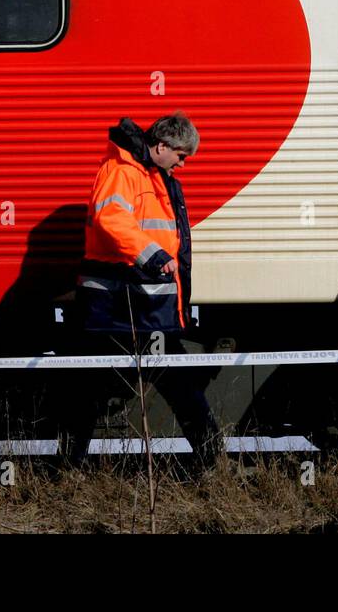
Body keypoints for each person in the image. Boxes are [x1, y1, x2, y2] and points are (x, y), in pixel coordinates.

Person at [59, 112, 220, 467]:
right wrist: (154, 255)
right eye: (181, 155)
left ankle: (68, 466)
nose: (183, 163)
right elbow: (111, 218)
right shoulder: (123, 172)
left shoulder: (147, 173)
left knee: (93, 390)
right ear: (161, 146)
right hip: (120, 305)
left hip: (133, 304)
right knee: (176, 385)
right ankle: (211, 460)